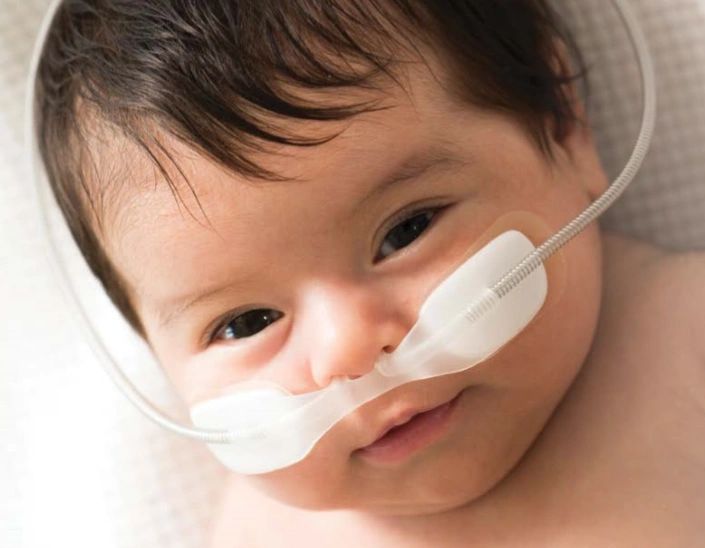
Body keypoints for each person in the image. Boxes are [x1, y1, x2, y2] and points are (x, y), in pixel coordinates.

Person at [34, 1, 705, 545]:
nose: (348, 351)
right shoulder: (265, 533)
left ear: (561, 127)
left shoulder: (682, 338)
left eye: (406, 231)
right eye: (247, 323)